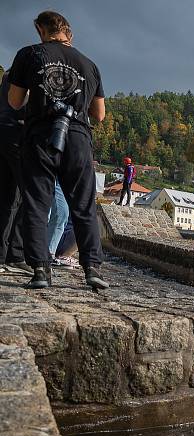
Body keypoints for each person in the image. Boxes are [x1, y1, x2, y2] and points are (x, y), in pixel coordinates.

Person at [7, 11, 108, 289]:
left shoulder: (29, 54)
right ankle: (92, 270)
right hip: (76, 136)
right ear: (69, 34)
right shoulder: (89, 65)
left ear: (41, 30)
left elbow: (15, 101)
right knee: (83, 205)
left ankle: (40, 270)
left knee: (38, 204)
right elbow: (99, 115)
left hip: (40, 135)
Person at [0, 67, 33, 275]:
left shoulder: (9, 75)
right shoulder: (27, 75)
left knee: (9, 198)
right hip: (18, 133)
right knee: (30, 195)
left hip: (3, 131)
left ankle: (5, 255)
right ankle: (16, 253)